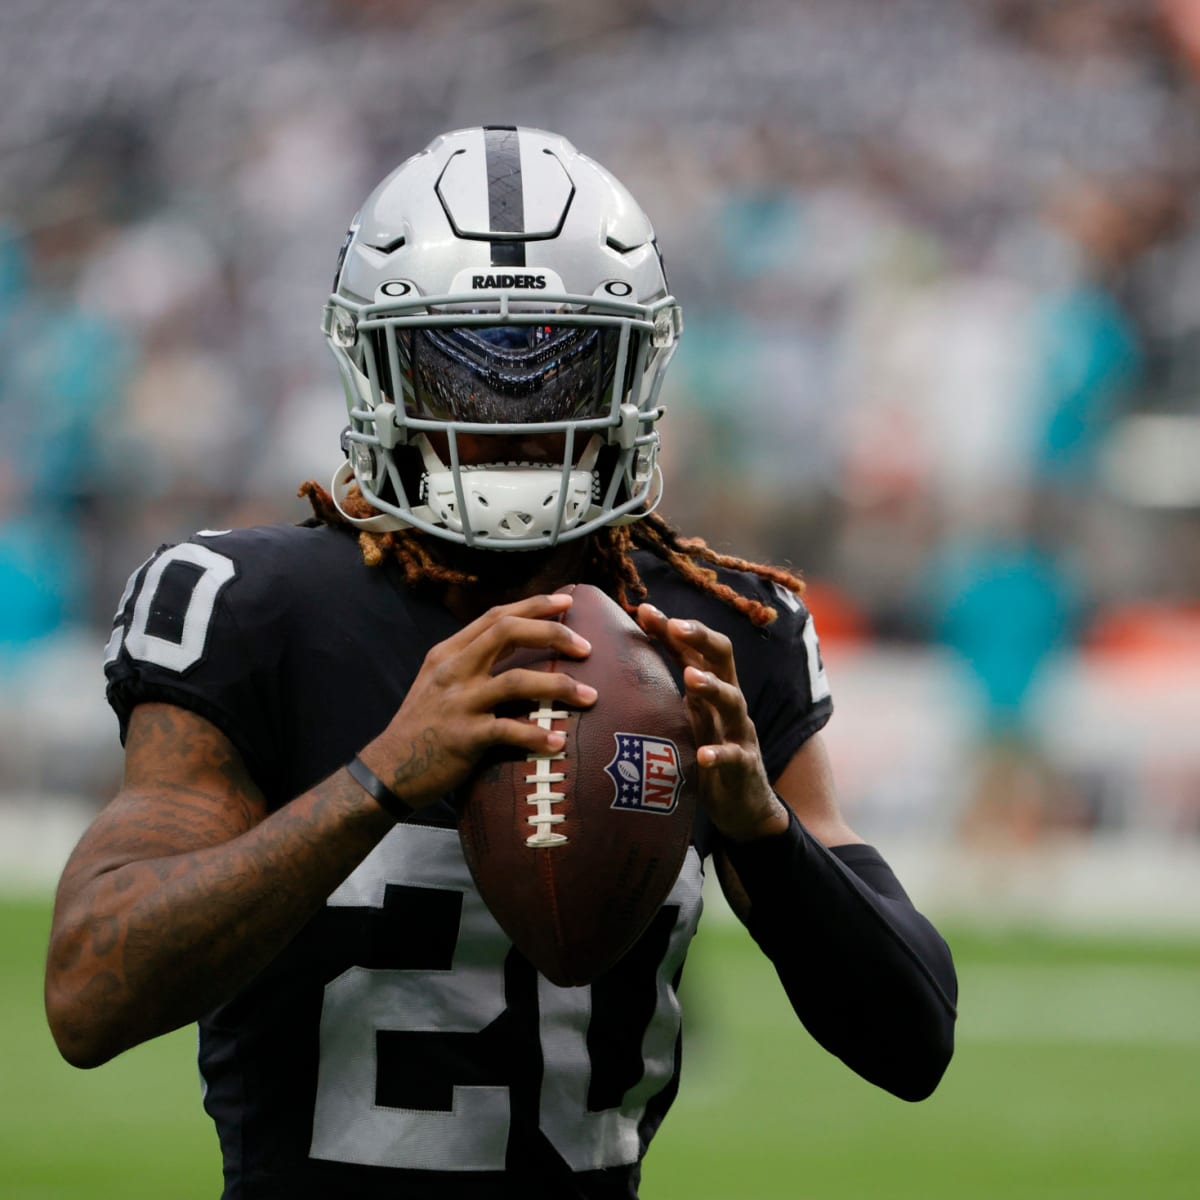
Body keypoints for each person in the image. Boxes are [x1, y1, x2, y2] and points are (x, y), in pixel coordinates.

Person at [45, 126, 956, 1198]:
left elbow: (914, 1046)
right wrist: (376, 782)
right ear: (377, 364)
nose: (517, 411)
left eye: (559, 359)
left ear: (636, 366)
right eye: (465, 362)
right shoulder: (254, 607)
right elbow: (90, 995)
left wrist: (766, 834)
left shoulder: (717, 631)